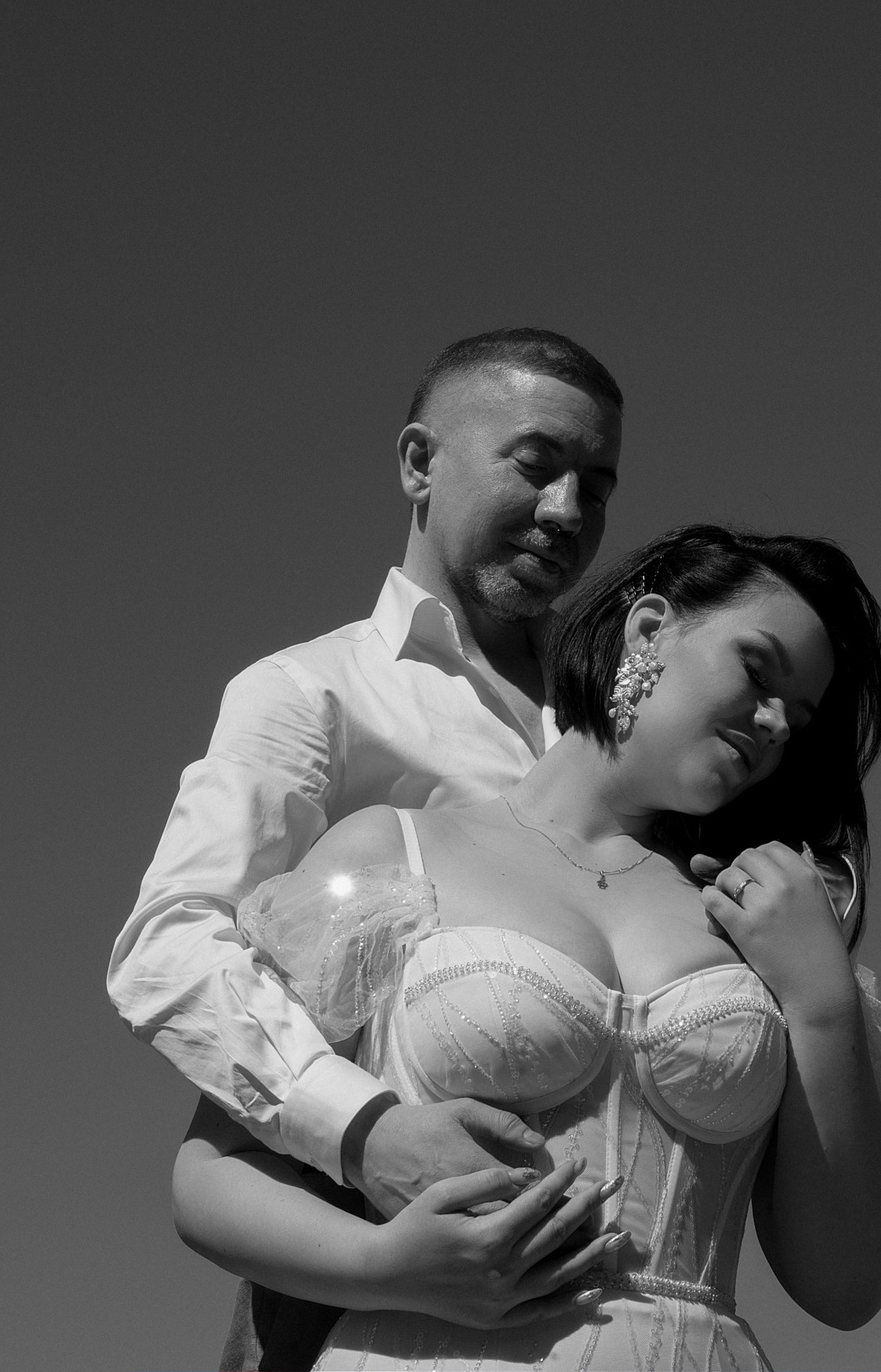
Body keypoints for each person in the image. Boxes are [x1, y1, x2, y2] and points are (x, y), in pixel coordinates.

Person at [172, 525, 881, 1370]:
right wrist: (388, 1266)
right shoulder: (393, 855)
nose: (776, 722)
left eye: (800, 715)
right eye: (757, 670)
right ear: (649, 629)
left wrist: (821, 1003)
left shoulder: (768, 924)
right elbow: (209, 1178)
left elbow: (849, 1287)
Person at [109, 327, 629, 1367]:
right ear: (418, 463)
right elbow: (171, 940)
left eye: (598, 483)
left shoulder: (619, 724)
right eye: (536, 465)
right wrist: (369, 1129)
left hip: (616, 1286)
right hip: (361, 1276)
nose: (569, 510)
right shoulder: (314, 693)